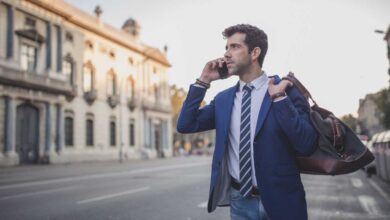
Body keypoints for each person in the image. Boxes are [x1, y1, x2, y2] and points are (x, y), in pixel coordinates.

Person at [177, 24, 318, 220]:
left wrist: (279, 99)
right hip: (240, 200)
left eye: (234, 47)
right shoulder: (223, 100)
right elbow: (186, 124)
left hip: (282, 200)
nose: (226, 54)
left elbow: (307, 144)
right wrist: (203, 81)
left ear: (255, 53)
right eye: (226, 48)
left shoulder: (285, 89)